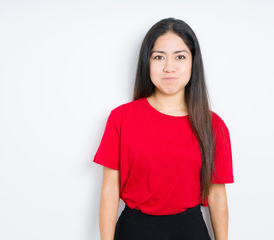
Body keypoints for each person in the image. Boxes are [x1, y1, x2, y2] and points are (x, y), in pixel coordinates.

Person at [93, 17, 234, 240]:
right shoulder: (121, 118)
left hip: (191, 231)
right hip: (134, 231)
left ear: (193, 62)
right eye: (159, 57)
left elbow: (217, 194)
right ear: (146, 62)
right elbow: (109, 191)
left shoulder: (213, 125)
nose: (169, 67)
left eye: (180, 56)